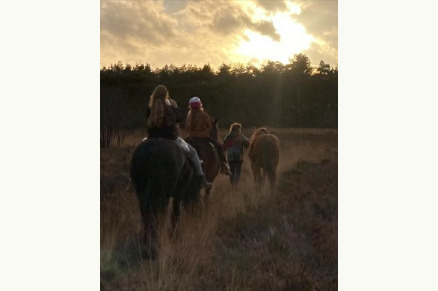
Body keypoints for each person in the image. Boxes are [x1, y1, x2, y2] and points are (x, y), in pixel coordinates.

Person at [145, 85, 210, 188]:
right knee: (192, 153)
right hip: (170, 138)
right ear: (166, 95)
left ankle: (132, 180)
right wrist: (175, 107)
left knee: (138, 151)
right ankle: (201, 178)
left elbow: (147, 122)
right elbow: (180, 118)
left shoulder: (149, 108)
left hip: (151, 138)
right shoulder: (170, 108)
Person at [185, 97, 232, 176]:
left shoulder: (189, 116)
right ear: (200, 105)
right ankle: (224, 166)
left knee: (181, 147)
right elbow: (210, 127)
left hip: (192, 138)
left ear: (190, 106)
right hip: (204, 137)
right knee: (219, 147)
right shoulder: (204, 115)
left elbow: (186, 128)